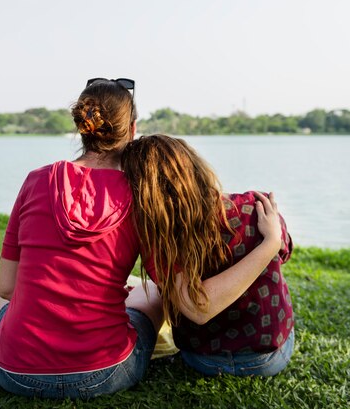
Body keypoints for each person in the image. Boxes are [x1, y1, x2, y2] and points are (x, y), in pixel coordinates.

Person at [0, 78, 164, 399]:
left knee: (1, 296)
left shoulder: (36, 180)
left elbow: (6, 288)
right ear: (133, 128)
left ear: (83, 127)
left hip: (15, 371)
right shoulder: (140, 193)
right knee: (152, 295)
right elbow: (163, 280)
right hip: (104, 371)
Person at [121, 134, 294, 377]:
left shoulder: (160, 241)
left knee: (153, 290)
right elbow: (284, 252)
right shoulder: (254, 207)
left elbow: (196, 308)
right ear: (194, 166)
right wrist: (271, 242)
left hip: (203, 359)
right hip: (267, 358)